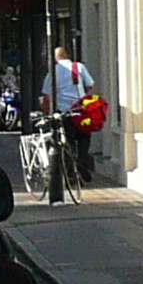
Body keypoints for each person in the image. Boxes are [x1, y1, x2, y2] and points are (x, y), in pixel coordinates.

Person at [41, 46, 97, 200]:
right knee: (84, 139)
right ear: (66, 55)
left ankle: (71, 175)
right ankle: (82, 163)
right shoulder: (78, 67)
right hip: (81, 110)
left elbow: (46, 97)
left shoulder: (54, 72)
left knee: (67, 143)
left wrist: (45, 113)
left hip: (64, 112)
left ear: (57, 58)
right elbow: (90, 85)